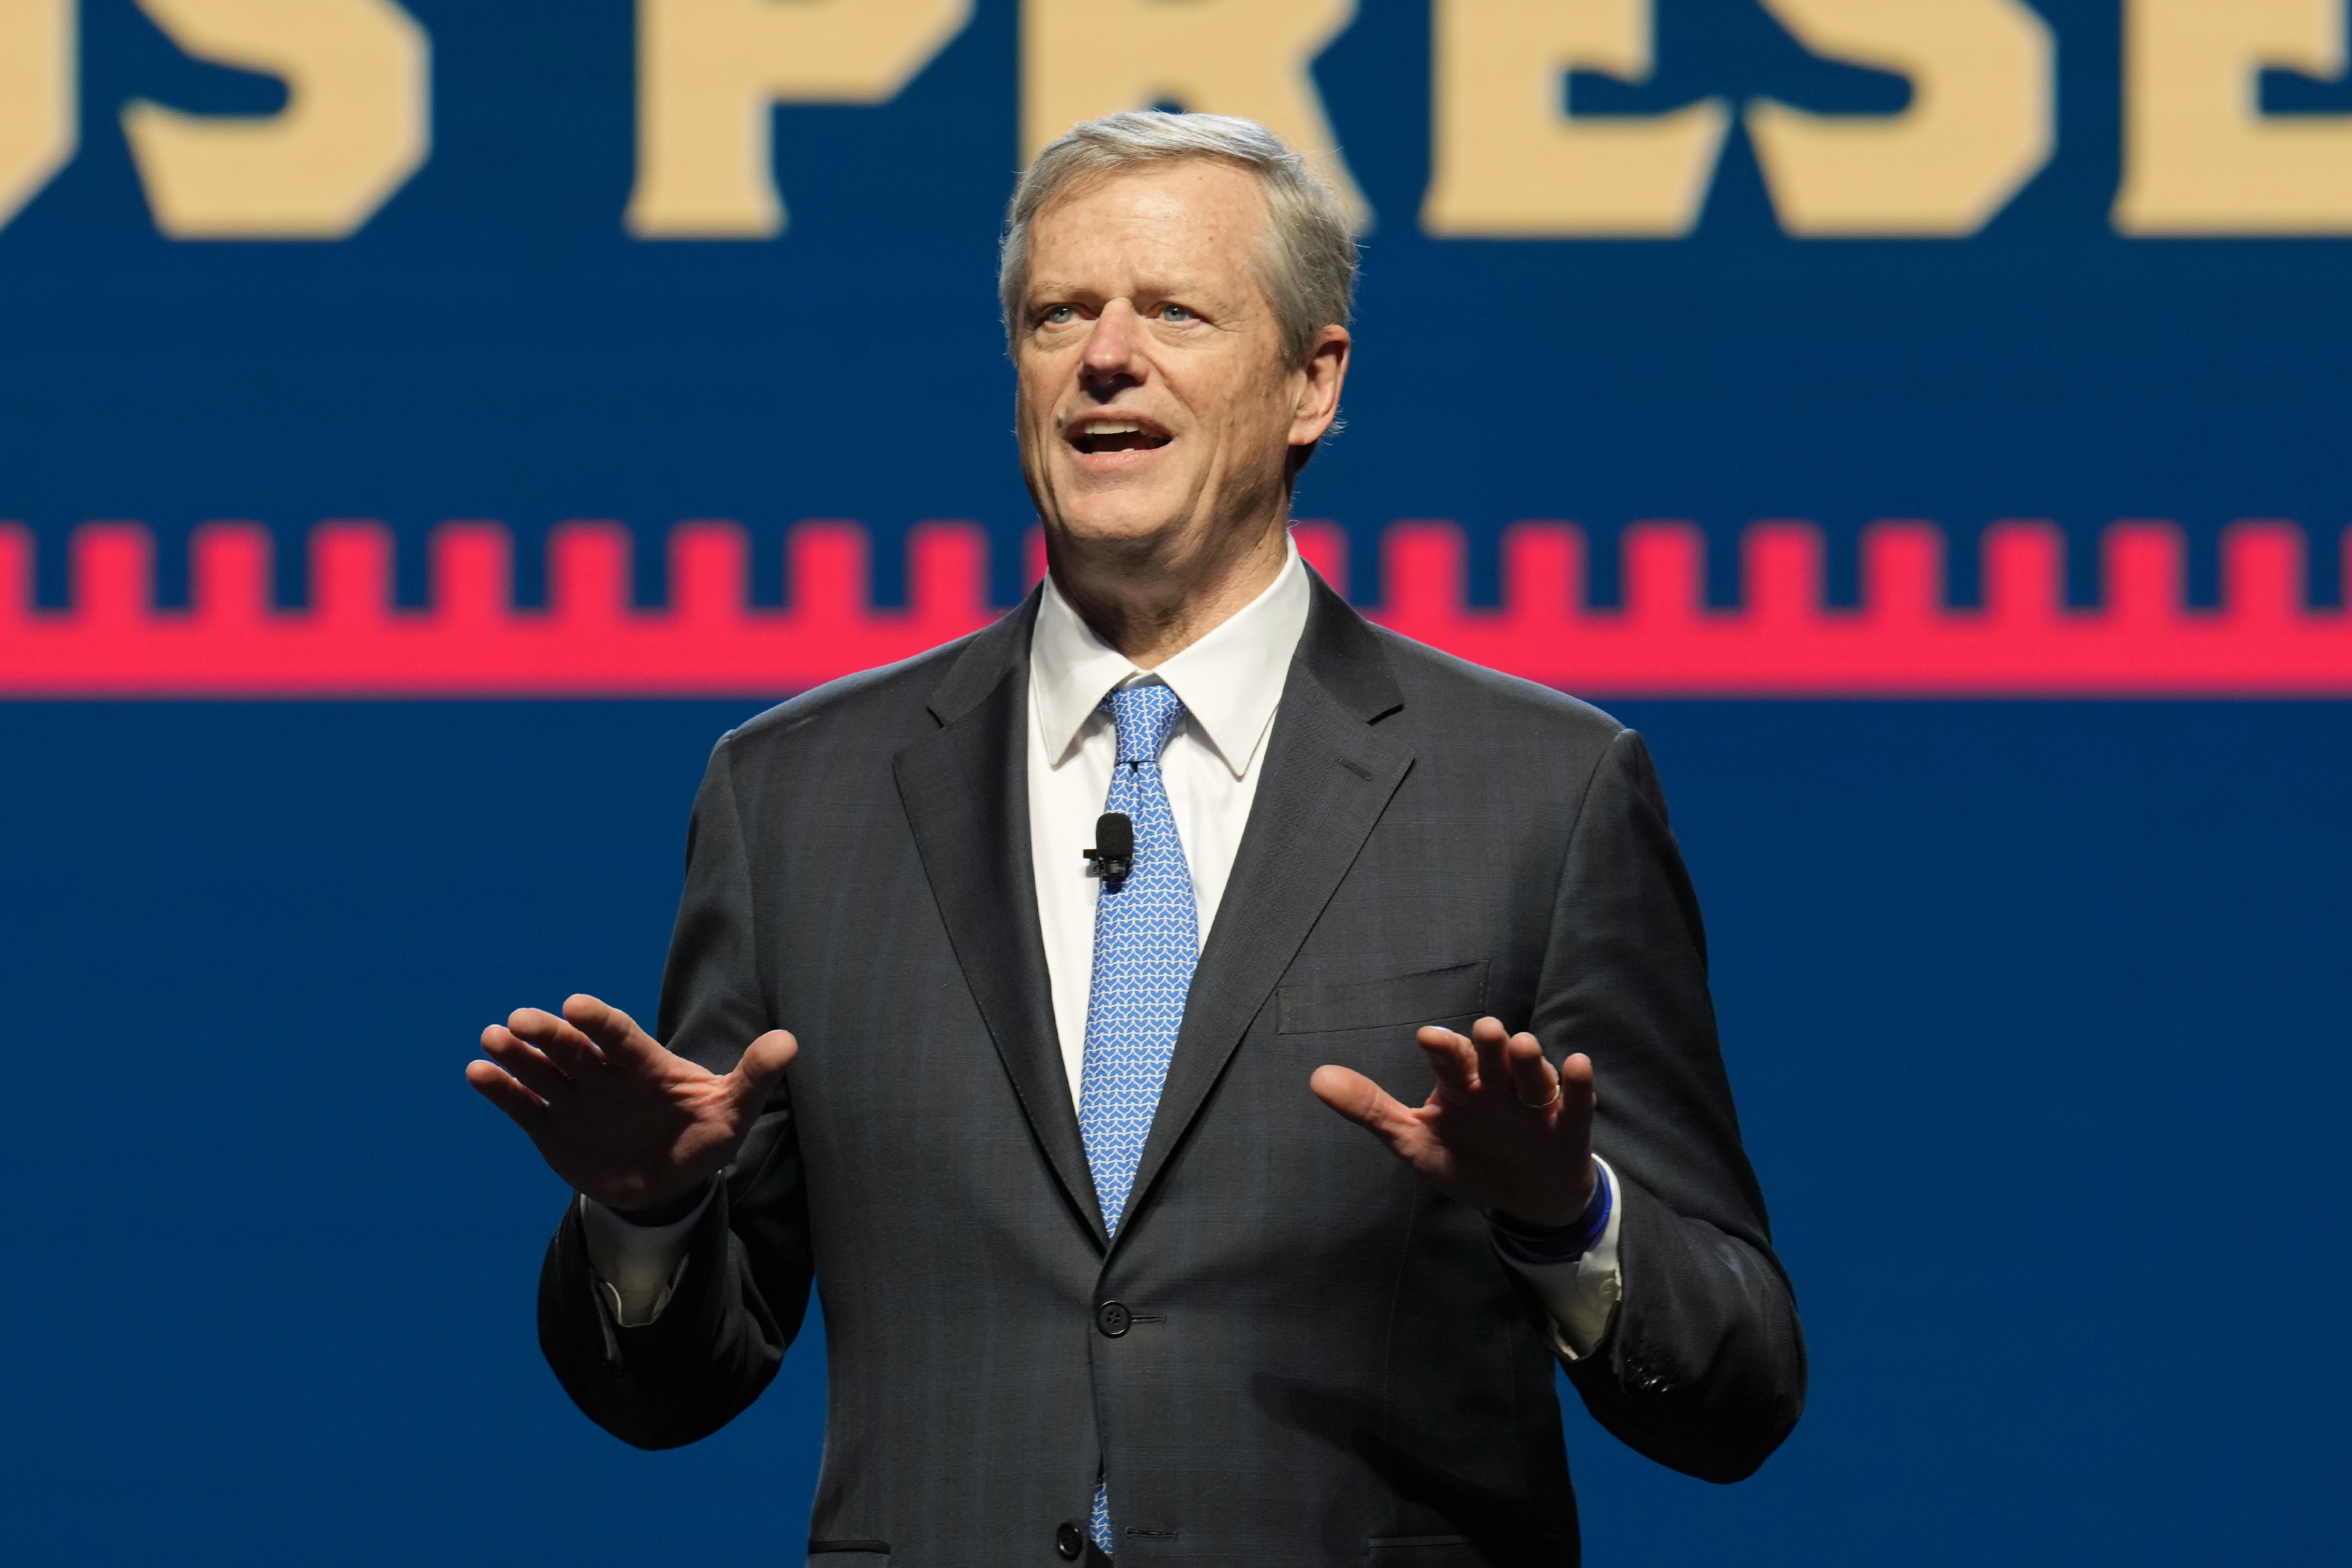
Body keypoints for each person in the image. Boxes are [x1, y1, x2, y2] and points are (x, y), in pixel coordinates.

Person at [466, 112, 1803, 1567]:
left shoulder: (1542, 791)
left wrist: (1566, 1218)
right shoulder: (796, 796)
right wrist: (649, 1212)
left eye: (1174, 309)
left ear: (1312, 380)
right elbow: (672, 1388)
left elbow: (1737, 1390)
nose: (1106, 355)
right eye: (1059, 316)